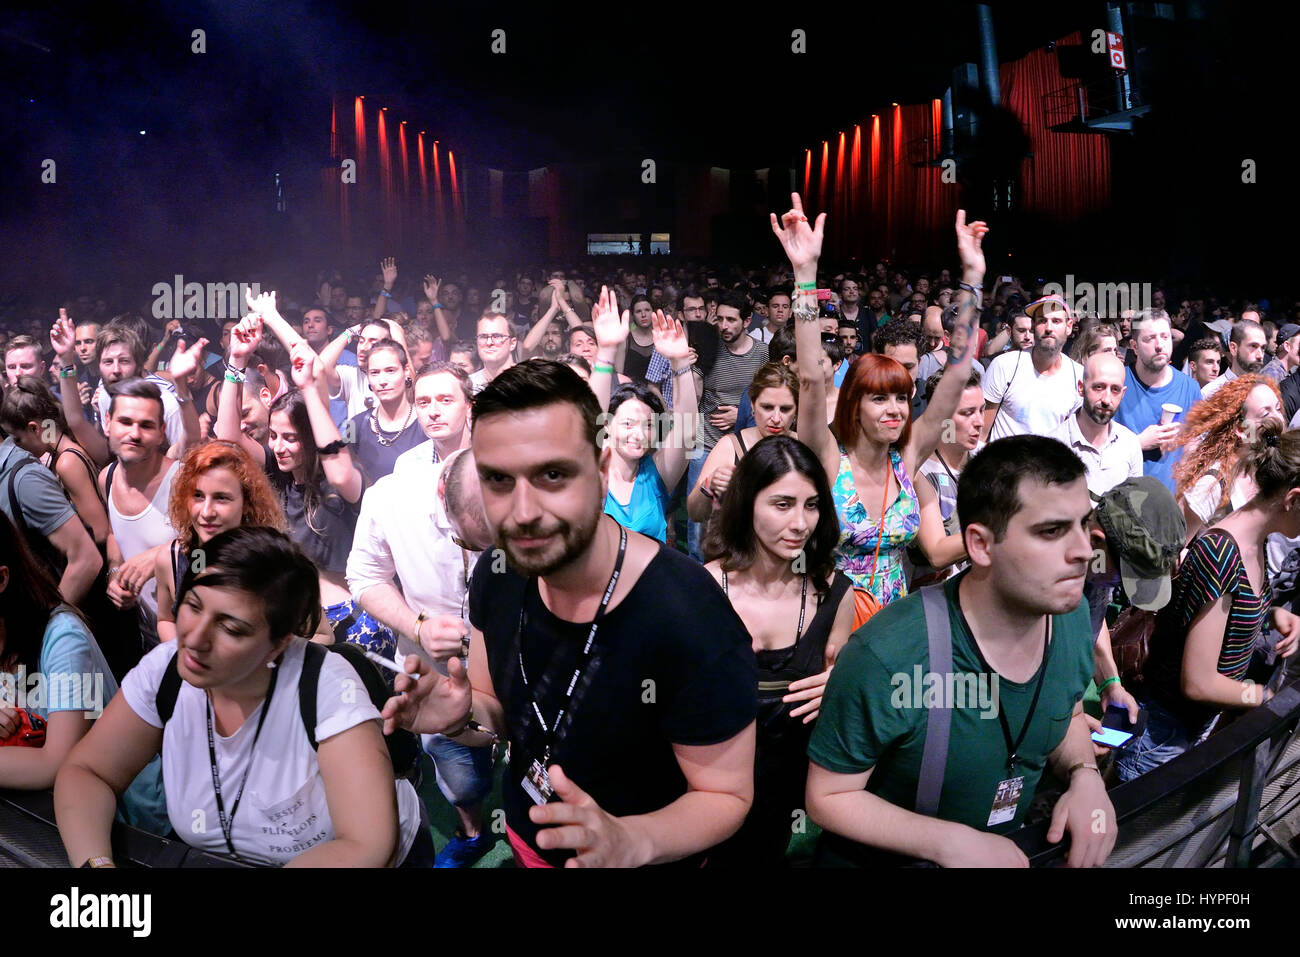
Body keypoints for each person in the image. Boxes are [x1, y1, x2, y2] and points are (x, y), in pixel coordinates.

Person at [382, 359, 757, 868]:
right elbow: (497, 710)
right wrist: (460, 717)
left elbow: (725, 796)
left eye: (553, 474)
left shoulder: (689, 614)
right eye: (498, 480)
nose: (524, 510)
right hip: (527, 835)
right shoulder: (497, 572)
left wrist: (632, 841)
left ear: (602, 469)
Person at [807, 435, 1117, 867]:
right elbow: (828, 797)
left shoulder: (1069, 617)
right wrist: (947, 843)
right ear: (980, 545)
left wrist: (1085, 779)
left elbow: (1065, 714)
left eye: (1084, 524)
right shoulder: (889, 654)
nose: (1084, 550)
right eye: (1052, 530)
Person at [55, 526, 431, 867]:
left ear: (279, 645)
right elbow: (88, 772)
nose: (195, 638)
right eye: (194, 606)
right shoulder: (166, 670)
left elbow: (365, 844)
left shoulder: (326, 685)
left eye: (231, 628)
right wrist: (96, 865)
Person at [778, 194, 984, 607]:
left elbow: (959, 371)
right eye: (879, 399)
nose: (895, 409)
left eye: (902, 399)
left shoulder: (905, 457)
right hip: (829, 619)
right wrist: (805, 275)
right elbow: (810, 378)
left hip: (893, 623)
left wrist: (973, 279)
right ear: (854, 404)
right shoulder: (828, 456)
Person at [1114, 422, 1300, 782]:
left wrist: (1273, 615)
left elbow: (1226, 617)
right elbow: (1198, 682)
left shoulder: (1253, 543)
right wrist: (1262, 695)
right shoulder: (1221, 554)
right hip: (1161, 740)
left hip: (1187, 730)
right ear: (1292, 498)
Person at [700, 435, 855, 866]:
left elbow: (845, 685)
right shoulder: (703, 588)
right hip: (703, 786)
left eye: (812, 505)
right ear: (748, 502)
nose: (801, 523)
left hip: (785, 790)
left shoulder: (833, 593)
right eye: (783, 504)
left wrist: (839, 686)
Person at [348, 442, 497, 868]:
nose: (476, 550)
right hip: (436, 672)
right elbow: (363, 575)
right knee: (459, 772)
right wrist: (417, 625)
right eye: (463, 539)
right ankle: (472, 831)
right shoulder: (390, 498)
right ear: (439, 494)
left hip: (516, 660)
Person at [215, 315, 396, 659]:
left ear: (311, 440)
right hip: (299, 621)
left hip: (354, 622)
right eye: (274, 437)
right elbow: (227, 445)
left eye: (291, 438)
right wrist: (236, 363)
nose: (278, 446)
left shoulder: (338, 478)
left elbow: (338, 466)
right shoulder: (279, 474)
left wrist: (309, 389)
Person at [589, 290, 697, 542]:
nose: (639, 434)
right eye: (627, 423)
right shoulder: (591, 469)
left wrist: (680, 362)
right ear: (606, 425)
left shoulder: (657, 473)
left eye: (648, 425)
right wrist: (606, 351)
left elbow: (689, 428)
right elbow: (589, 415)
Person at [154, 441, 288, 643]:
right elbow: (165, 619)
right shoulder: (170, 559)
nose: (206, 512)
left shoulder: (274, 563)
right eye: (198, 496)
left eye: (221, 498)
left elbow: (320, 635)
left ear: (247, 504)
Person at [100, 379, 182, 659]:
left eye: (146, 425)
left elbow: (218, 551)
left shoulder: (183, 481)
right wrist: (115, 572)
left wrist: (163, 555)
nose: (134, 434)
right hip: (147, 637)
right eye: (125, 421)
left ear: (161, 433)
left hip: (194, 638)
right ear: (108, 423)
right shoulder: (107, 478)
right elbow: (114, 533)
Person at [687, 292, 770, 559]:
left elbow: (766, 396)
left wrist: (740, 413)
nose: (724, 325)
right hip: (705, 439)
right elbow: (693, 391)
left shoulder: (762, 352)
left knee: (740, 511)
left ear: (747, 321)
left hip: (744, 442)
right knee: (697, 516)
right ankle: (697, 571)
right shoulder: (709, 345)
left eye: (731, 320)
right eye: (720, 319)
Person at [0, 375, 110, 550]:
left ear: (34, 428)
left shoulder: (67, 463)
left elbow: (101, 531)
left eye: (18, 439)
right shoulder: (60, 453)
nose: (17, 448)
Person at [1171, 374, 1284, 541]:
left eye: (1278, 408)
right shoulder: (1212, 484)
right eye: (1264, 414)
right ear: (1240, 429)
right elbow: (1173, 547)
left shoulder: (1265, 469)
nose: (1279, 419)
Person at [689, 363, 799, 527]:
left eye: (785, 409)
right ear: (753, 406)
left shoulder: (803, 447)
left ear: (796, 410)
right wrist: (709, 484)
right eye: (767, 407)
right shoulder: (730, 446)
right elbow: (695, 513)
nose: (776, 418)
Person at [906, 369, 983, 589]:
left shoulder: (987, 462)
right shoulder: (920, 473)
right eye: (967, 413)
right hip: (936, 599)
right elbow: (936, 554)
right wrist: (997, 530)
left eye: (981, 410)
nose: (979, 422)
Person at [1112, 310, 1204, 493]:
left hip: (1173, 505)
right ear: (1134, 346)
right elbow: (1098, 449)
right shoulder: (1117, 384)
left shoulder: (1190, 388)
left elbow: (1198, 446)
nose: (1159, 345)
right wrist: (1138, 443)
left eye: (1165, 337)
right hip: (1124, 502)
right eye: (1149, 339)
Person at [981, 295, 1083, 442]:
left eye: (1056, 321)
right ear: (1034, 326)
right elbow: (980, 434)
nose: (1049, 328)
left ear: (1068, 327)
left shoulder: (1078, 375)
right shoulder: (1004, 365)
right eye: (1042, 321)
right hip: (1005, 463)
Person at [1050, 353, 1143, 497]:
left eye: (1115, 390)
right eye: (1099, 387)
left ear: (1123, 393)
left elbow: (1135, 505)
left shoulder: (1130, 443)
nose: (1106, 399)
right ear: (1081, 388)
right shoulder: (1053, 446)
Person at [345, 337, 423, 481]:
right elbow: (343, 474)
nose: (382, 381)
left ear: (406, 370)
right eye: (374, 372)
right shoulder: (353, 424)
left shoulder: (425, 422)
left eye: (390, 370)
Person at [1201, 319, 1267, 399]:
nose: (1260, 355)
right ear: (1233, 348)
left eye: (1263, 348)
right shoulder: (1211, 393)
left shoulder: (1267, 390)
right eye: (1253, 346)